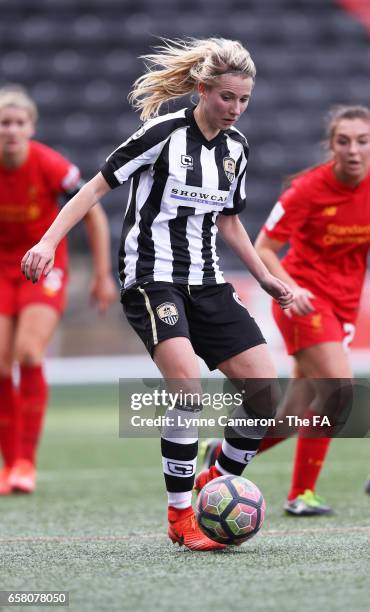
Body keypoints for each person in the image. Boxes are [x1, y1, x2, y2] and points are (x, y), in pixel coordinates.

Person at [21, 38, 293, 551]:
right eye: (226, 98)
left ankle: (218, 476)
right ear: (202, 90)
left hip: (208, 282)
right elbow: (94, 189)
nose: (235, 109)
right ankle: (179, 516)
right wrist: (48, 241)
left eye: (243, 100)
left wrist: (263, 276)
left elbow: (230, 222)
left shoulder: (237, 150)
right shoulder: (162, 134)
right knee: (187, 388)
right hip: (152, 278)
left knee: (264, 392)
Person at [200, 104, 370, 516]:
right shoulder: (308, 190)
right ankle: (301, 496)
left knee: (294, 417)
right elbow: (263, 248)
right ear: (330, 146)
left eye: (363, 141)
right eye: (343, 141)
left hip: (344, 305)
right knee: (338, 393)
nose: (353, 150)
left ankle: (221, 456)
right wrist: (291, 289)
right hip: (302, 301)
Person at [0, 85, 117, 495]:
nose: (11, 131)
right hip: (1, 271)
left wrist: (102, 275)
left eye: (18, 123)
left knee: (29, 353)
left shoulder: (50, 165)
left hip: (42, 269)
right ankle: (8, 463)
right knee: (0, 365)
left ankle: (26, 464)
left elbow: (93, 211)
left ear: (31, 127)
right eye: (4, 124)